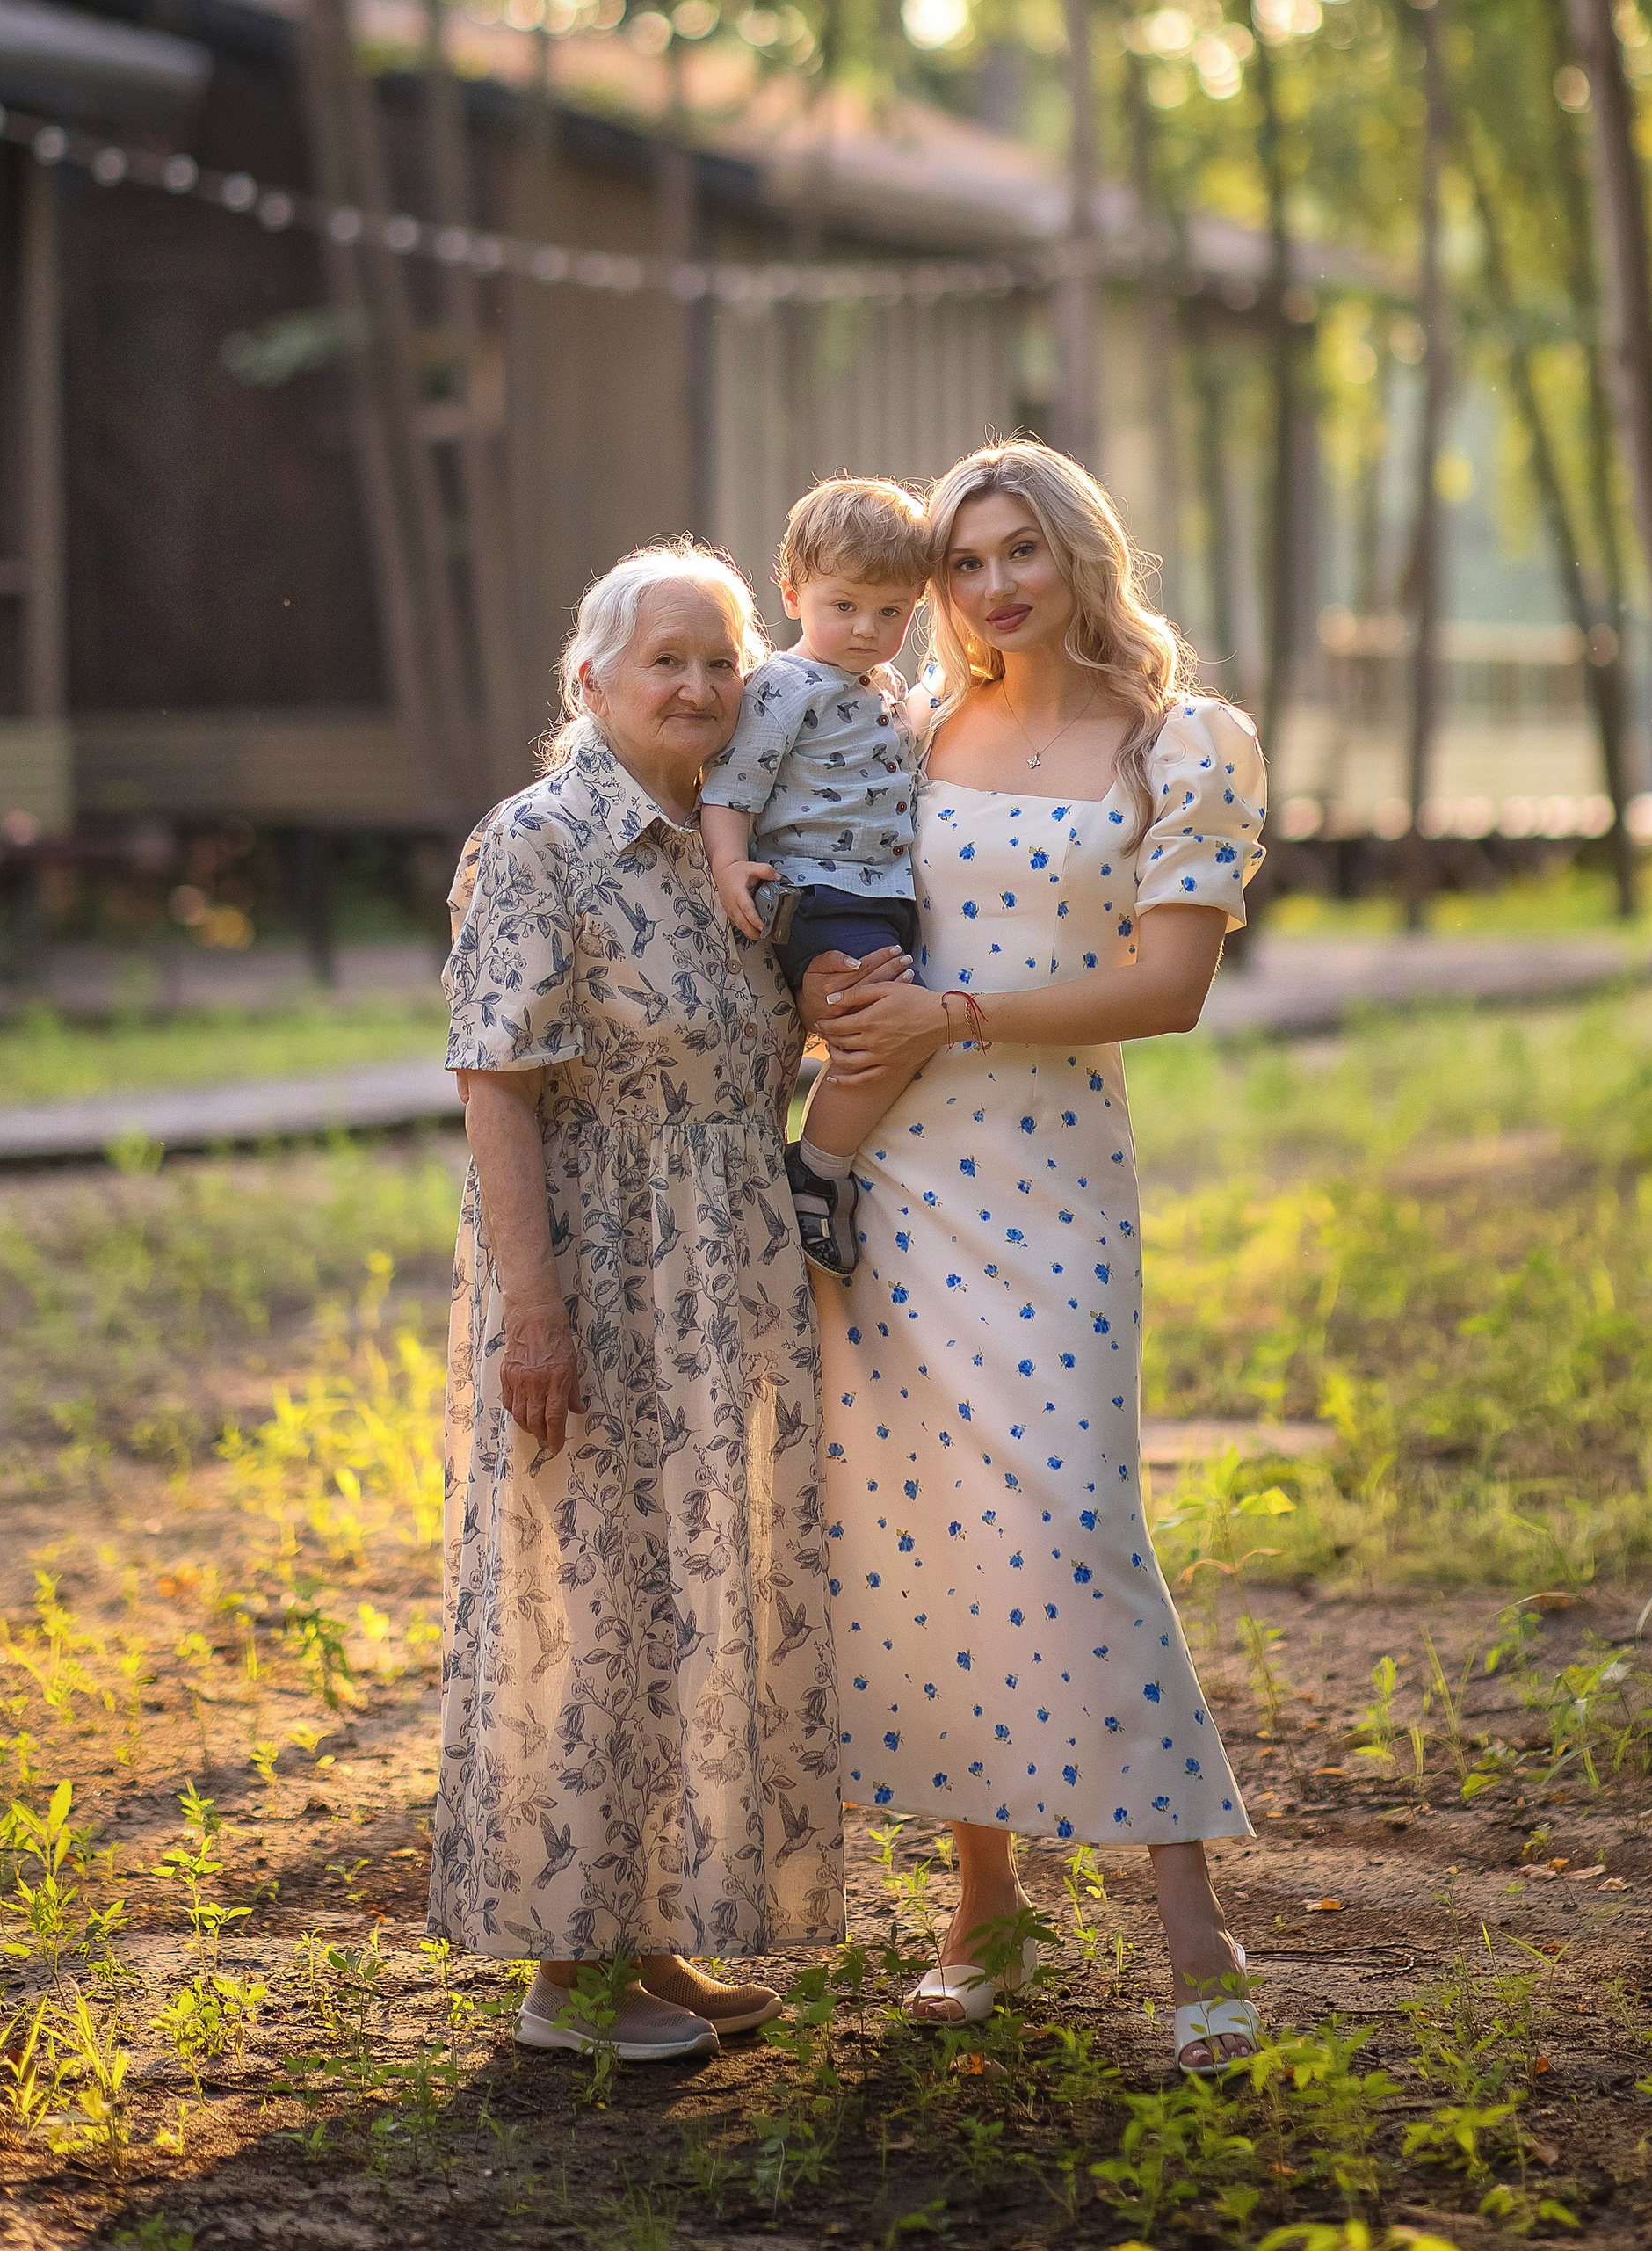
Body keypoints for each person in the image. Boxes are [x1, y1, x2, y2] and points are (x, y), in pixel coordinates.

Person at [801, 442, 1269, 2074]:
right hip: (899, 1171)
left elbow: (1169, 989)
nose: (994, 586)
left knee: (1077, 1525)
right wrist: (848, 1007)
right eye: (967, 562)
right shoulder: (914, 729)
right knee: (926, 1534)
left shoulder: (1180, 740)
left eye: (1023, 553)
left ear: (1082, 554)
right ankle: (981, 1905)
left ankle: (1193, 1926)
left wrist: (964, 1012)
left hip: (1057, 1182)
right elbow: (857, 927)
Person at [431, 541, 842, 2065]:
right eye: (664, 657)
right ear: (590, 680)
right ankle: (564, 1980)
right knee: (584, 1605)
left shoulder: (734, 852)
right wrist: (534, 1314)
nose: (696, 684)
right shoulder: (541, 839)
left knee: (690, 1602)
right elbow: (495, 1084)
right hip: (596, 1270)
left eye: (721, 659)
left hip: (724, 1273)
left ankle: (646, 1933)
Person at [700, 475, 934, 1277]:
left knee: (892, 1035)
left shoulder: (882, 688)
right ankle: (817, 1172)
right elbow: (732, 789)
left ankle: (830, 1164)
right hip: (824, 895)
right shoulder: (782, 688)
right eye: (845, 606)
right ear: (793, 594)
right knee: (876, 1045)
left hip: (883, 894)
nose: (868, 629)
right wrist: (730, 865)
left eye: (892, 611)